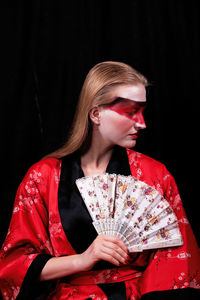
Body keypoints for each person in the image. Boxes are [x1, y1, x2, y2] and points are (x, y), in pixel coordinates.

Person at [0, 61, 199, 300]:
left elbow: (178, 262)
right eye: (130, 112)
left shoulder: (154, 175)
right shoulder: (41, 178)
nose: (142, 123)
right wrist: (84, 259)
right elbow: (15, 265)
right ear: (95, 113)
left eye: (142, 111)